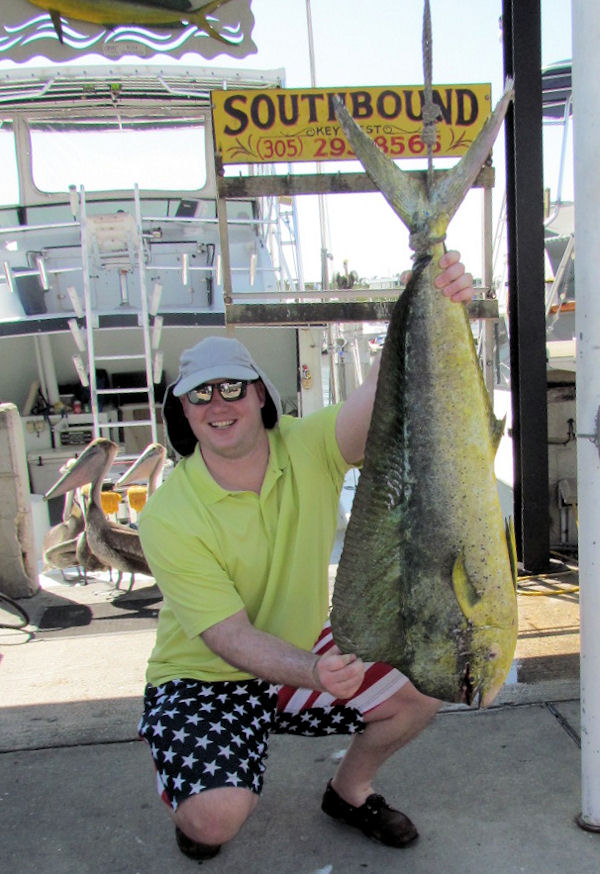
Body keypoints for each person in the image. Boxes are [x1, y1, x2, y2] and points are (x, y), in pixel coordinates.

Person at [137, 251, 474, 862]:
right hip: (205, 677)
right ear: (182, 411)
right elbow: (231, 639)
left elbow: (378, 396)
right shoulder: (168, 514)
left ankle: (349, 791)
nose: (219, 404)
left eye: (232, 387)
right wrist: (313, 673)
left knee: (420, 691)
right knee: (214, 820)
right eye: (199, 395)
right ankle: (200, 785)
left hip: (308, 653)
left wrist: (420, 304)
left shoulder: (309, 444)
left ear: (260, 395)